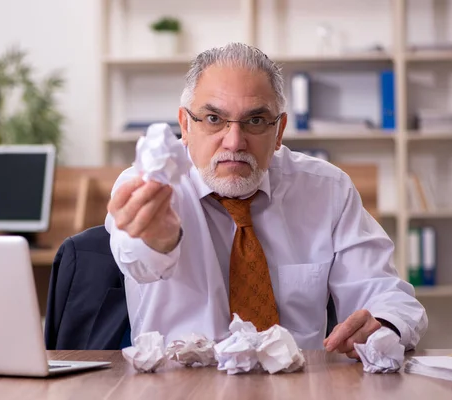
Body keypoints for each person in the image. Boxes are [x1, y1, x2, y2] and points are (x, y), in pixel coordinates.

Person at [105, 42, 427, 358]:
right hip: (182, 389)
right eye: (214, 119)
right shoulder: (151, 185)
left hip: (296, 386)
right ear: (185, 125)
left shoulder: (326, 190)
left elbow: (387, 295)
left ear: (280, 130)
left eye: (255, 121)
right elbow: (136, 260)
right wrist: (159, 242)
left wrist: (383, 323)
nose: (234, 141)